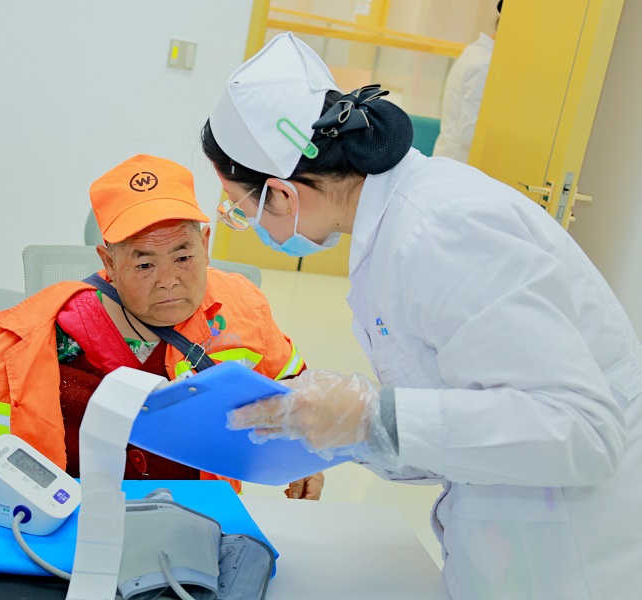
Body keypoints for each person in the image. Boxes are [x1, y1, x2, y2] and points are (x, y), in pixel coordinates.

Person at [202, 32, 642, 599]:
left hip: (573, 559)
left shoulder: (440, 228)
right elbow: (460, 412)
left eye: (240, 207)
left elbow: (583, 430)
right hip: (509, 540)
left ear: (282, 195)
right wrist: (336, 432)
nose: (249, 223)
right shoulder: (389, 232)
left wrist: (374, 417)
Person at [0, 154, 323, 500]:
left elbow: (293, 384)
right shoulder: (37, 337)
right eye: (144, 264)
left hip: (198, 522)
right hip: (67, 531)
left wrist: (304, 449)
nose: (169, 280)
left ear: (205, 244)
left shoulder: (243, 305)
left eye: (183, 256)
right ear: (109, 263)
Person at [432, 0, 502, 162]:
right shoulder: (484, 64)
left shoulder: (476, 52)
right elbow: (470, 132)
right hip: (460, 162)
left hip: (451, 158)